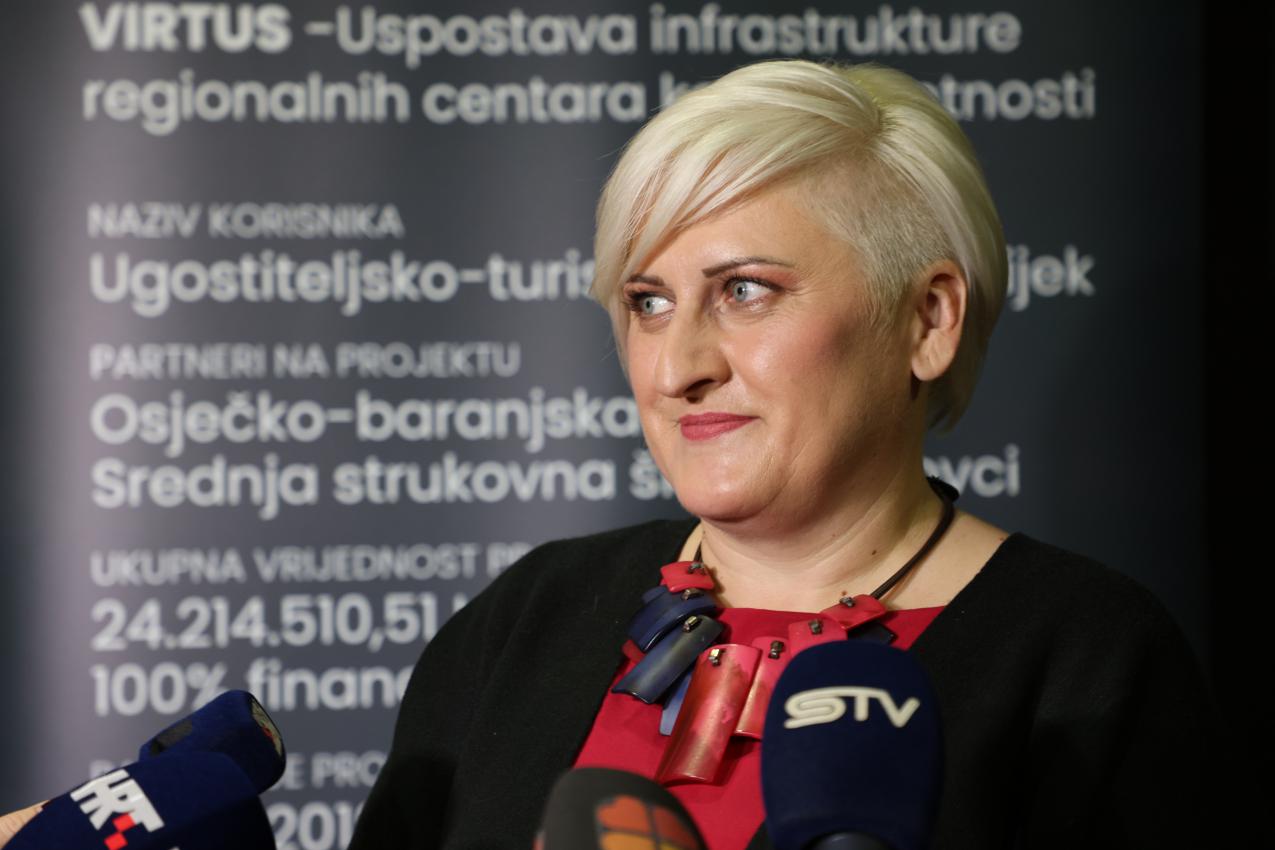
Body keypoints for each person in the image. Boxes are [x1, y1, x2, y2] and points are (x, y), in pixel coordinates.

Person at [347, 60, 1218, 850]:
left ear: (927, 319)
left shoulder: (1090, 660)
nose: (677, 369)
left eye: (744, 290)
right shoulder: (528, 615)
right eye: (648, 302)